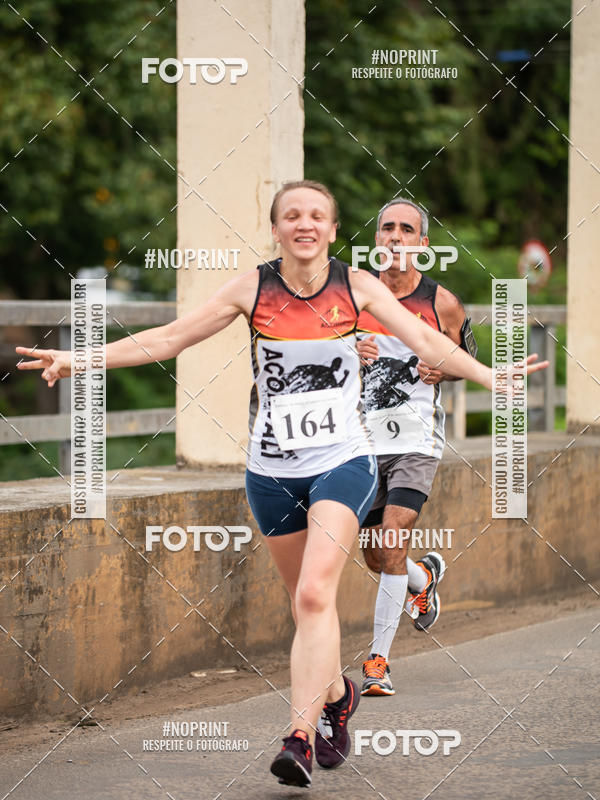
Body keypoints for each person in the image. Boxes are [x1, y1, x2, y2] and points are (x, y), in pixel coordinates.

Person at [15, 180, 547, 789]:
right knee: (303, 604)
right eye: (292, 215)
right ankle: (338, 693)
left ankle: (299, 736)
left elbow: (428, 339)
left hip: (343, 462)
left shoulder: (357, 287)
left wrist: (488, 376)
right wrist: (78, 359)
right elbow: (168, 338)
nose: (304, 224)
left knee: (316, 595)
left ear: (332, 229)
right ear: (276, 229)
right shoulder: (253, 289)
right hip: (271, 472)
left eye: (317, 215)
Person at [355, 198, 476, 697]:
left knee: (392, 536)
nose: (396, 236)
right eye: (388, 228)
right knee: (374, 553)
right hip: (362, 443)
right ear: (377, 239)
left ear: (422, 244)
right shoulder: (355, 296)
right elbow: (322, 358)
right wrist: (350, 350)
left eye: (407, 229)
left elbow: (467, 360)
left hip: (416, 441)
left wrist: (442, 369)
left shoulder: (441, 302)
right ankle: (421, 578)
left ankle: (377, 663)